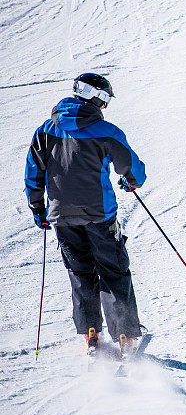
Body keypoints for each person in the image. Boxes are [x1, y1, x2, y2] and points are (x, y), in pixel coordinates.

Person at [24, 73, 147, 356]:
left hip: (60, 216)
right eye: (105, 101)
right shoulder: (105, 130)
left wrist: (38, 207)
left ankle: (91, 332)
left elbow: (34, 171)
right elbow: (131, 167)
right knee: (113, 271)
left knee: (80, 272)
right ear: (99, 98)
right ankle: (125, 334)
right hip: (99, 215)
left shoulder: (46, 129)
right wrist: (132, 181)